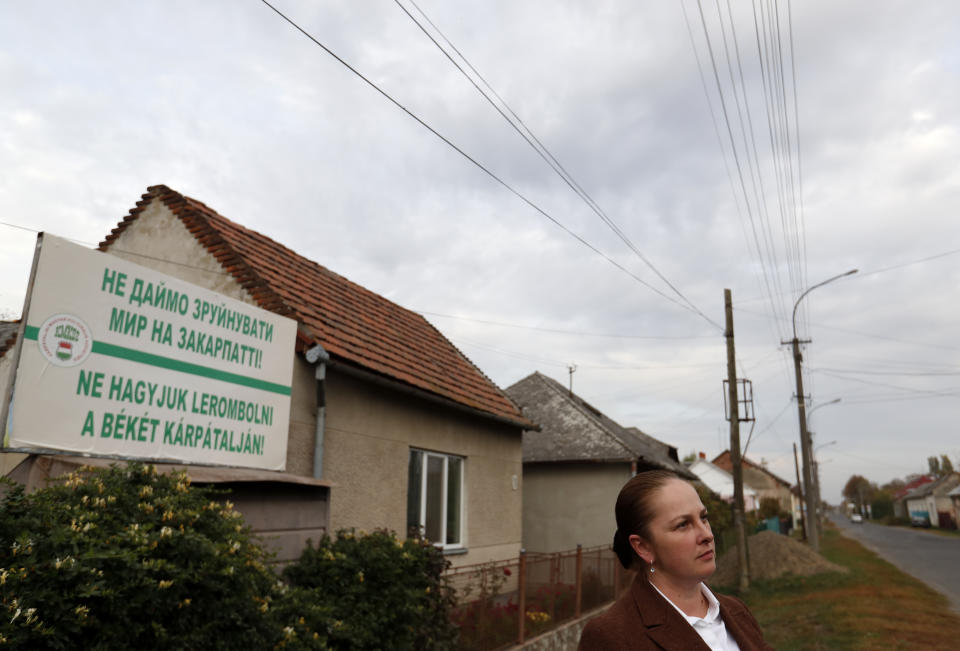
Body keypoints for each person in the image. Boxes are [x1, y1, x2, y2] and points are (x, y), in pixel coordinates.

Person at [578, 470, 773, 650]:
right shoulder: (611, 636)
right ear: (643, 547)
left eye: (703, 518)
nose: (707, 535)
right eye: (682, 525)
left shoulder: (736, 611)